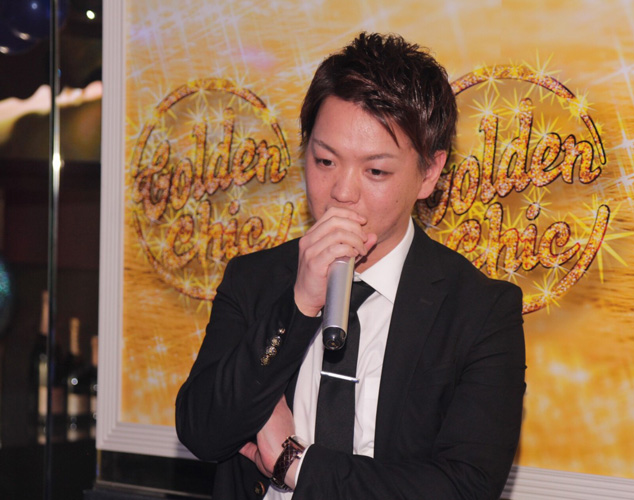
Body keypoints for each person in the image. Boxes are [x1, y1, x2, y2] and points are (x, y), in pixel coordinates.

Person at [176, 32, 526, 500]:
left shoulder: (480, 311)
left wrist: (293, 462)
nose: (342, 192)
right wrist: (298, 305)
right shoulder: (256, 279)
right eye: (325, 160)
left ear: (429, 173)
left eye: (375, 171)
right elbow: (201, 431)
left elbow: (465, 487)